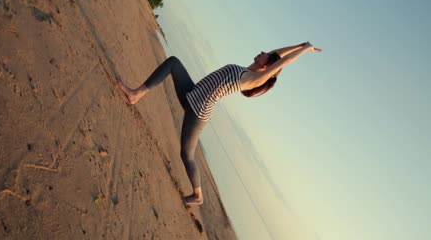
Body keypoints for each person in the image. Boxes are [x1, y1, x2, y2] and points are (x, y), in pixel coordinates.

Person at [116, 42, 322, 206]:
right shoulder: (248, 69)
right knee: (173, 62)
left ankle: (198, 195)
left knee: (186, 155)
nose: (262, 51)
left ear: (267, 66)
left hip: (198, 111)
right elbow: (277, 54)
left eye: (265, 54)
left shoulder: (255, 78)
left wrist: (305, 50)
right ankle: (136, 94)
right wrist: (300, 43)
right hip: (191, 93)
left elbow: (282, 62)